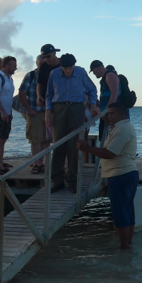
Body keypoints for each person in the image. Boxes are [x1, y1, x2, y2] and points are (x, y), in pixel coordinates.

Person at [76, 102, 138, 249]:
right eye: (108, 114)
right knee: (127, 210)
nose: (110, 117)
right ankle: (128, 244)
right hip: (126, 173)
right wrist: (104, 117)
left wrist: (87, 148)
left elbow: (110, 153)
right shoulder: (119, 127)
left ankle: (124, 247)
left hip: (121, 174)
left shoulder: (122, 129)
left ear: (122, 114)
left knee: (120, 212)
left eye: (113, 114)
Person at [45, 53, 101, 193]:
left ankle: (73, 180)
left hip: (76, 108)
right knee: (58, 144)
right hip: (58, 109)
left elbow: (92, 90)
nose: (68, 71)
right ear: (61, 66)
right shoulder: (54, 73)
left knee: (74, 145)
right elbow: (49, 94)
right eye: (65, 68)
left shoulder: (81, 72)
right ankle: (57, 180)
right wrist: (48, 111)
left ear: (74, 65)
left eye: (70, 68)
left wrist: (93, 104)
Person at [19, 55, 49, 174]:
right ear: (36, 63)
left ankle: (45, 164)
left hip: (48, 113)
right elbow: (21, 93)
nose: (41, 65)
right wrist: (28, 109)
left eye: (43, 63)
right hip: (34, 112)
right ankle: (37, 164)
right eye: (39, 63)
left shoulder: (51, 74)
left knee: (46, 140)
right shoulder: (30, 75)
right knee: (35, 140)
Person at [89, 60, 120, 140]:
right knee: (103, 137)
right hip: (106, 114)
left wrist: (107, 111)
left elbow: (114, 94)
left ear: (96, 69)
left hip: (113, 114)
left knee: (112, 139)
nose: (94, 74)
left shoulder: (110, 76)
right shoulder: (104, 79)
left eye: (93, 71)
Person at [36, 44, 62, 110]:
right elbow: (40, 84)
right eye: (44, 57)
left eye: (48, 56)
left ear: (54, 53)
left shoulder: (64, 64)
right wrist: (39, 96)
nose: (46, 59)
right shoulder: (43, 67)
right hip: (50, 101)